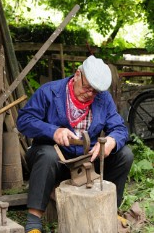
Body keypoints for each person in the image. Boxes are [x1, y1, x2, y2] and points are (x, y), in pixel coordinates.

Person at [17, 55, 134, 233]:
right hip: (54, 159)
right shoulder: (49, 92)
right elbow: (24, 121)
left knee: (125, 154)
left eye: (95, 92)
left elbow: (119, 128)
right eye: (87, 88)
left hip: (86, 159)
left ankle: (110, 210)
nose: (90, 94)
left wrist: (112, 140)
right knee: (48, 155)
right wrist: (53, 131)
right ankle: (34, 221)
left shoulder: (103, 98)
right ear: (77, 74)